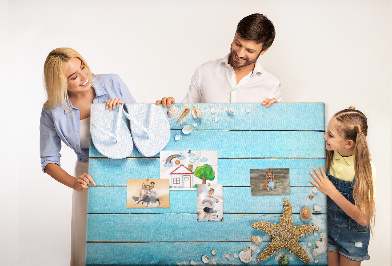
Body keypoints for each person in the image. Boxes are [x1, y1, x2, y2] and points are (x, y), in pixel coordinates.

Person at [40, 47, 136, 266]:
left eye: (83, 66)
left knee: (129, 238)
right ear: (60, 84)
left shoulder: (112, 83)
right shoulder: (52, 111)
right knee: (90, 244)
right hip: (87, 179)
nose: (84, 77)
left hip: (126, 170)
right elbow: (49, 161)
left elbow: (140, 129)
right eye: (73, 77)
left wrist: (123, 113)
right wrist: (75, 183)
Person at [157, 13, 282, 108]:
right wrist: (168, 108)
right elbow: (184, 117)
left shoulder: (271, 86)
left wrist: (277, 115)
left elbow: (277, 133)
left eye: (249, 51)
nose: (240, 54)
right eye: (237, 44)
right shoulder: (204, 72)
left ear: (264, 50)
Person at [309, 106, 376, 266]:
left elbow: (364, 218)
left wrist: (331, 191)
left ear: (348, 143)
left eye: (330, 135)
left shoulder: (366, 170)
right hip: (330, 229)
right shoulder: (329, 155)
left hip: (353, 236)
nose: (325, 136)